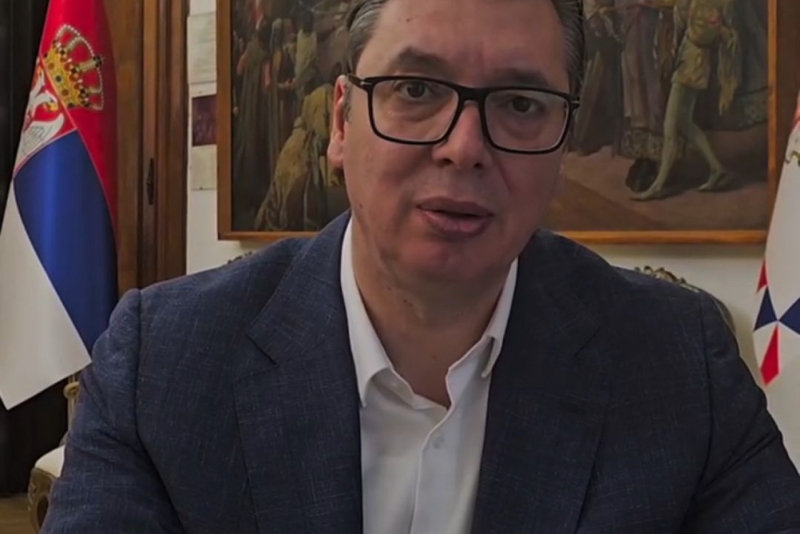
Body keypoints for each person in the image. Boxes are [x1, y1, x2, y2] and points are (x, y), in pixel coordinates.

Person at [42, 0, 800, 532]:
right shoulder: (163, 361)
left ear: (563, 147)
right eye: (414, 90)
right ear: (341, 124)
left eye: (521, 103)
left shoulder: (678, 363)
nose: (464, 147)